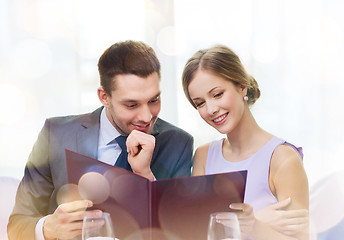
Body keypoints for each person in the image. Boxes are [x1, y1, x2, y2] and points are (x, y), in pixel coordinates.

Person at [8, 40, 193, 240]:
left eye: (154, 100)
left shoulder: (178, 143)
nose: (147, 117)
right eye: (131, 105)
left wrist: (145, 176)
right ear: (104, 97)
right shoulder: (55, 135)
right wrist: (46, 228)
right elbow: (17, 224)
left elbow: (181, 230)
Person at [182, 44, 309, 239]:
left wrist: (255, 226)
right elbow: (196, 233)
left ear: (242, 87)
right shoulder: (203, 156)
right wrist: (262, 219)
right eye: (200, 103)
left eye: (217, 94)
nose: (211, 109)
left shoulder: (282, 158)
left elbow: (300, 238)